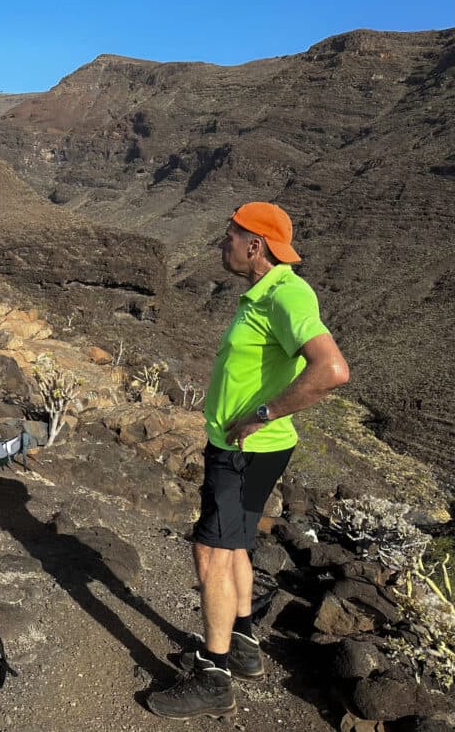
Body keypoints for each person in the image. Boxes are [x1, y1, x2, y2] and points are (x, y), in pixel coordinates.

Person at [147, 202, 350, 720]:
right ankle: (241, 643)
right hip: (245, 449)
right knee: (230, 543)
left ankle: (213, 677)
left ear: (254, 245)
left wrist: (264, 412)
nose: (222, 244)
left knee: (212, 553)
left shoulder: (287, 294)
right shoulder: (261, 292)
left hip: (246, 452)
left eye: (229, 237)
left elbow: (331, 369)